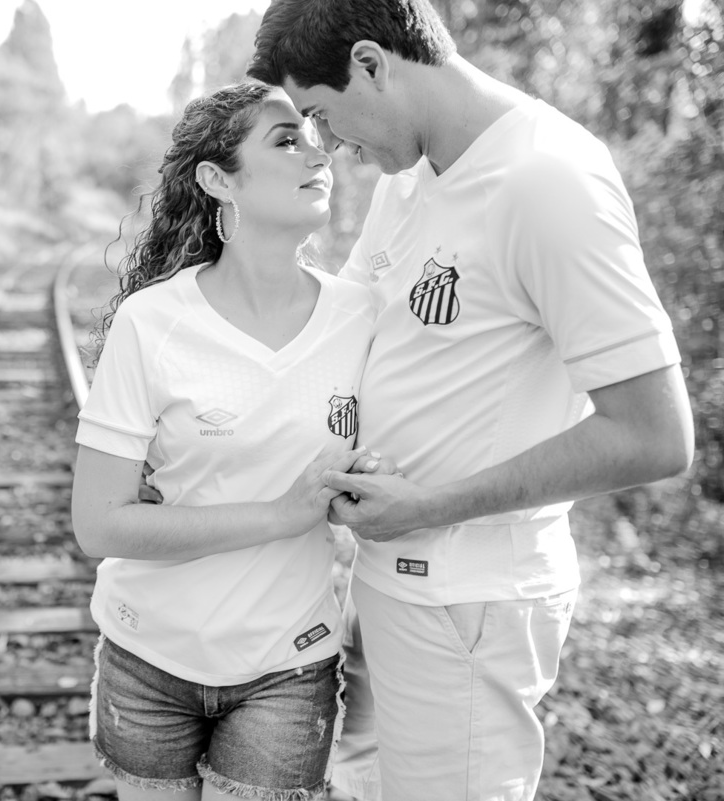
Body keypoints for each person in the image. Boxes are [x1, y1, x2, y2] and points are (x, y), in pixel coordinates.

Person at [246, 2, 696, 800]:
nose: (330, 147)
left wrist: (431, 504)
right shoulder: (414, 172)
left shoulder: (547, 180)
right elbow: (345, 329)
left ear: (372, 63)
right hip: (387, 582)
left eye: (321, 115)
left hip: (469, 600)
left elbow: (656, 434)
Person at [70, 82, 394, 801]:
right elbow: (98, 522)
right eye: (286, 139)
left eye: (315, 135)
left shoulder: (361, 317)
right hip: (148, 659)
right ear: (219, 179)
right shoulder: (152, 323)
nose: (320, 152)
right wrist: (282, 513)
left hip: (289, 662)